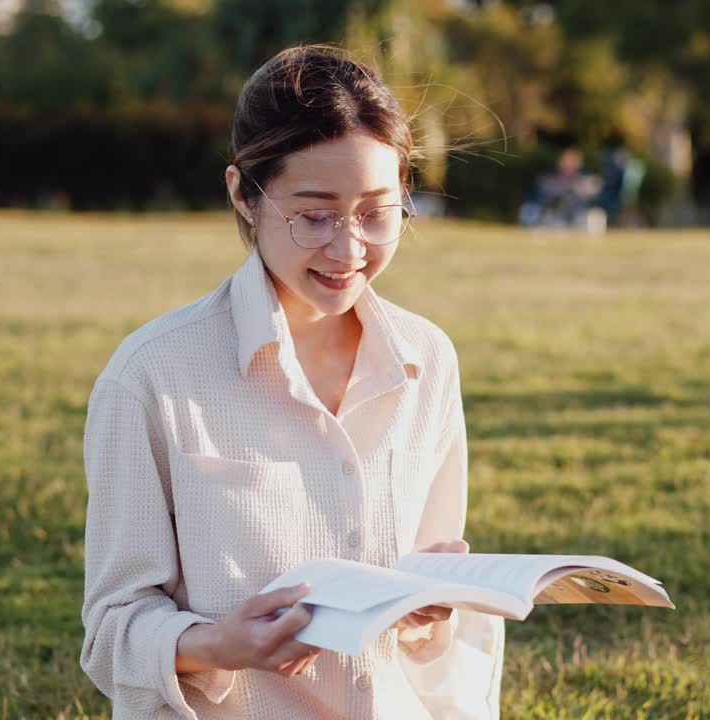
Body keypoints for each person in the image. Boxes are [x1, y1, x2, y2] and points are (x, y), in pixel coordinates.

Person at [78, 46, 504, 719]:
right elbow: (112, 634)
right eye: (314, 215)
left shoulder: (428, 359)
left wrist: (430, 611)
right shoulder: (152, 378)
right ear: (243, 196)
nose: (348, 248)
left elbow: (428, 634)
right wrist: (218, 643)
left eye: (376, 212)